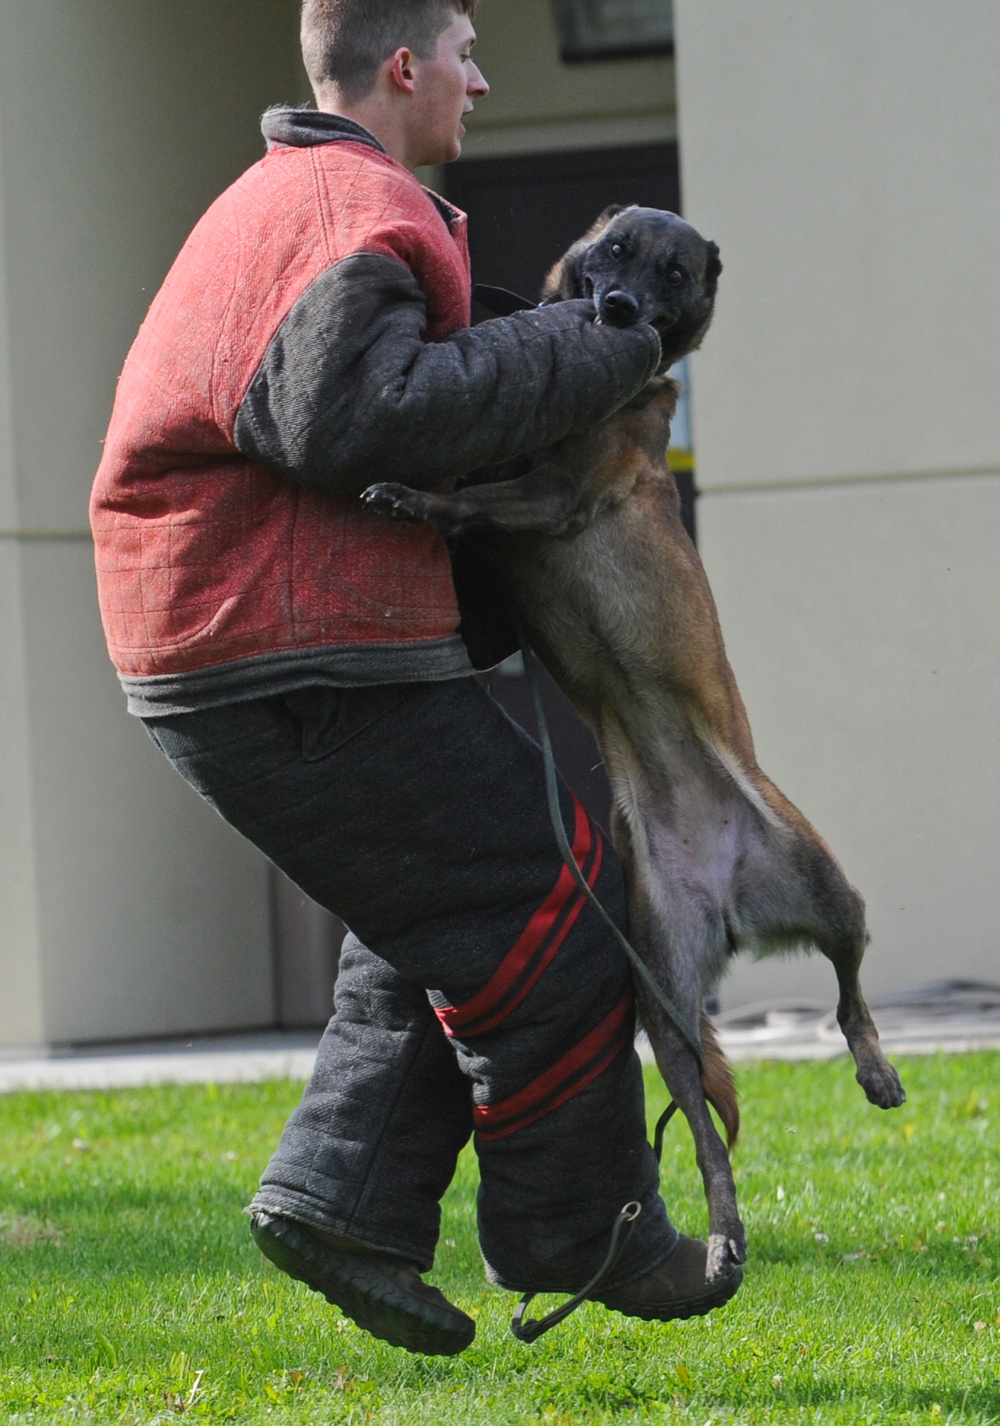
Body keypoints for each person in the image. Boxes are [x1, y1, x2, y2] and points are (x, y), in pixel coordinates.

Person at [89, 0, 742, 1357]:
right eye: (464, 52)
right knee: (554, 890)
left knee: (447, 900)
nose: (482, 80)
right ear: (403, 67)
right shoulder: (350, 206)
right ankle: (585, 1228)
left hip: (230, 648)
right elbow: (355, 413)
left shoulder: (297, 200)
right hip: (279, 651)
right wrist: (610, 340)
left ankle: (342, 1196)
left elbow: (363, 411)